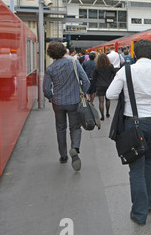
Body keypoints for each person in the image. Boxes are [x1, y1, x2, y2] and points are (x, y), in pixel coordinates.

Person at [106, 39, 151, 225]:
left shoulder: (125, 71)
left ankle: (139, 213)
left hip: (132, 124)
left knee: (136, 168)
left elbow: (110, 95)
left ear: (134, 54)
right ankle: (150, 201)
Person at [43, 41, 90, 172]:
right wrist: (83, 93)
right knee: (75, 127)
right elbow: (85, 80)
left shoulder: (50, 69)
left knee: (60, 128)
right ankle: (74, 148)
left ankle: (63, 156)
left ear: (51, 54)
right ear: (64, 51)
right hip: (74, 101)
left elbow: (46, 89)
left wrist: (51, 98)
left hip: (58, 103)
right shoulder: (74, 63)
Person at [92, 53, 115, 120]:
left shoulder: (97, 67)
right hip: (108, 85)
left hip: (99, 85)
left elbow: (94, 77)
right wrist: (111, 80)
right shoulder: (110, 66)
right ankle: (107, 113)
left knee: (101, 101)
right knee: (108, 100)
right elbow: (114, 73)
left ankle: (102, 116)